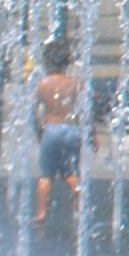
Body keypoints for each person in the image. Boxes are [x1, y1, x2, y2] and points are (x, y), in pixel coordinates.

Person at [32, 38, 84, 219]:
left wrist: (39, 132)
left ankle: (41, 213)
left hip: (51, 129)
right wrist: (91, 133)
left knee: (46, 175)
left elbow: (35, 113)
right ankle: (78, 201)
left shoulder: (43, 85)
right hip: (71, 130)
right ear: (68, 61)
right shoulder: (76, 84)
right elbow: (85, 111)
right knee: (71, 172)